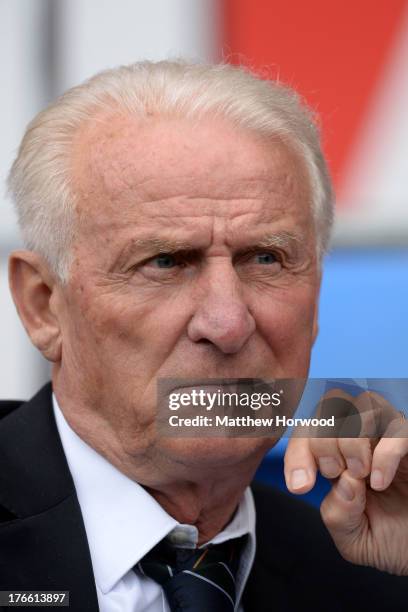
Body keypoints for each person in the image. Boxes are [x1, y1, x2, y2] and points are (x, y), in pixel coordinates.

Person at [0, 60, 407, 612]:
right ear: (43, 305)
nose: (228, 323)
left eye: (266, 258)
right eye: (165, 262)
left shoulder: (363, 572)